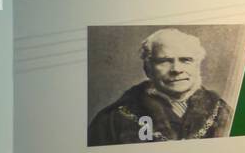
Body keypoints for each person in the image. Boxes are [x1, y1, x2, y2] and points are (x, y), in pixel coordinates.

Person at [88, 29, 232, 145]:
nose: (176, 69)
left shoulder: (222, 112)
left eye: (186, 60)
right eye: (164, 61)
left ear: (197, 65)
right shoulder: (113, 120)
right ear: (148, 68)